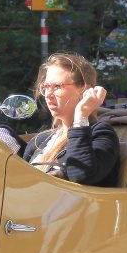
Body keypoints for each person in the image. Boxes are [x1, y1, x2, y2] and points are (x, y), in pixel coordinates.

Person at [21, 52, 118, 185]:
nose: (48, 94)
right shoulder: (42, 139)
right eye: (46, 87)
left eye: (57, 86)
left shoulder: (100, 133)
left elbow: (81, 175)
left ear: (84, 90)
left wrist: (81, 114)